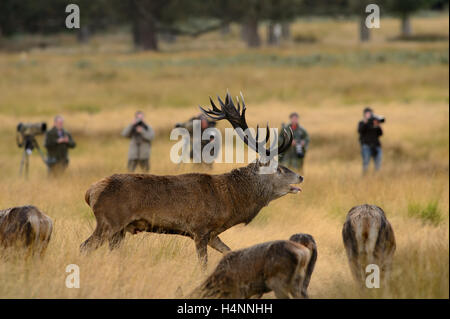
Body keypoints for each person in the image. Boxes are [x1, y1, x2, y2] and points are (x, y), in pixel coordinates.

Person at [358, 107, 383, 174]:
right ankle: (365, 176)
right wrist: (365, 122)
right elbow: (360, 131)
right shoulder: (361, 123)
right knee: (366, 163)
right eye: (367, 113)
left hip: (376, 146)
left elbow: (380, 134)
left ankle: (377, 177)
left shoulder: (374, 123)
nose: (369, 115)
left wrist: (378, 125)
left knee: (378, 164)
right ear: (364, 114)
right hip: (366, 146)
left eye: (370, 113)